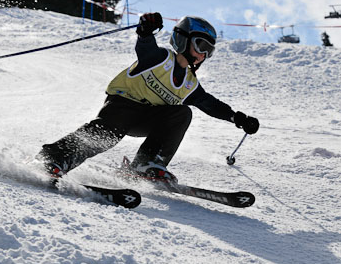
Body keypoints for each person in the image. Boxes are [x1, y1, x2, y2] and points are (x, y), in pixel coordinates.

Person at [35, 13, 259, 183]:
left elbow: (209, 104)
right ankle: (54, 157)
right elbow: (145, 47)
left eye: (210, 51)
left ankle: (147, 163)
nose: (204, 55)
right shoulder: (160, 58)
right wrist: (145, 31)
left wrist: (236, 118)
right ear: (183, 40)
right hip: (121, 107)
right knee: (108, 134)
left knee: (183, 113)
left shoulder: (189, 83)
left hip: (147, 119)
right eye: (201, 46)